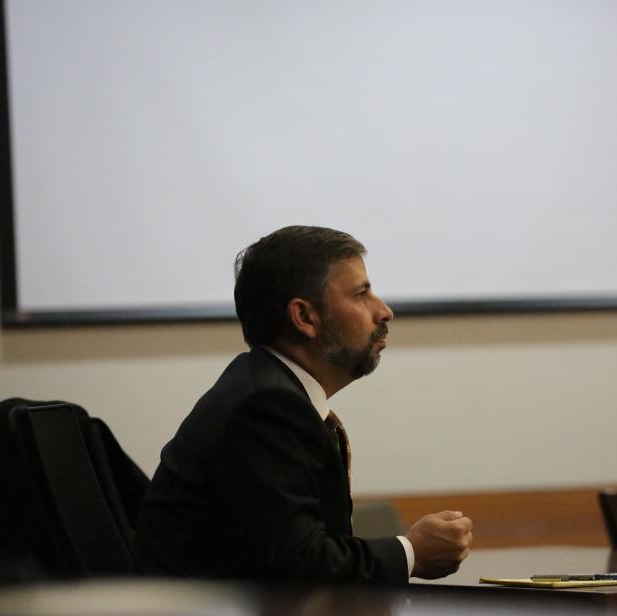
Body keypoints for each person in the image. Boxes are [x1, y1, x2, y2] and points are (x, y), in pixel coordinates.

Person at [135, 225, 472, 584]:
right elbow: (300, 569)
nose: (384, 311)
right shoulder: (265, 406)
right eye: (361, 294)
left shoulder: (264, 387)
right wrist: (411, 553)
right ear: (305, 317)